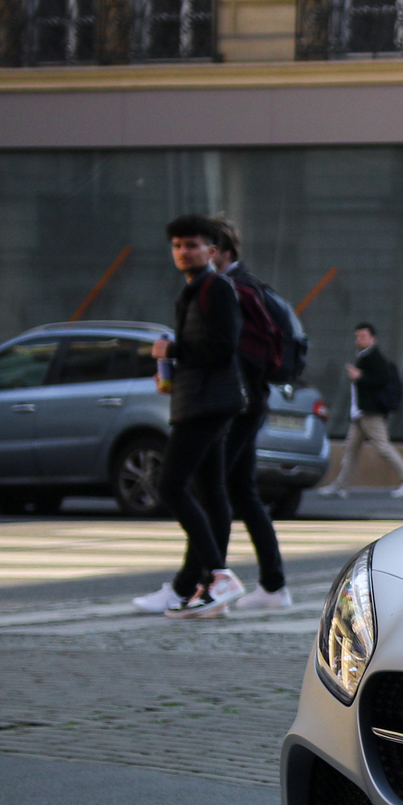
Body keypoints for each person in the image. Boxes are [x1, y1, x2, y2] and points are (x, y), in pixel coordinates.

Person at [148, 214, 247, 618]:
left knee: (170, 486)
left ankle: (219, 576)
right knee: (210, 491)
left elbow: (223, 348)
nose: (183, 251)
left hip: (206, 403)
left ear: (212, 250)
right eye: (177, 245)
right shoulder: (196, 289)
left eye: (191, 244)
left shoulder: (215, 288)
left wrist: (172, 353)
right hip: (200, 399)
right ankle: (207, 589)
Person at [317, 323, 403, 497]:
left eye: (363, 337)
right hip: (360, 413)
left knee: (382, 447)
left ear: (373, 339)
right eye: (357, 337)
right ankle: (339, 486)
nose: (359, 340)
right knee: (351, 449)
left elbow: (382, 380)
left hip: (370, 413)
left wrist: (360, 376)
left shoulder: (374, 357)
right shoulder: (365, 356)